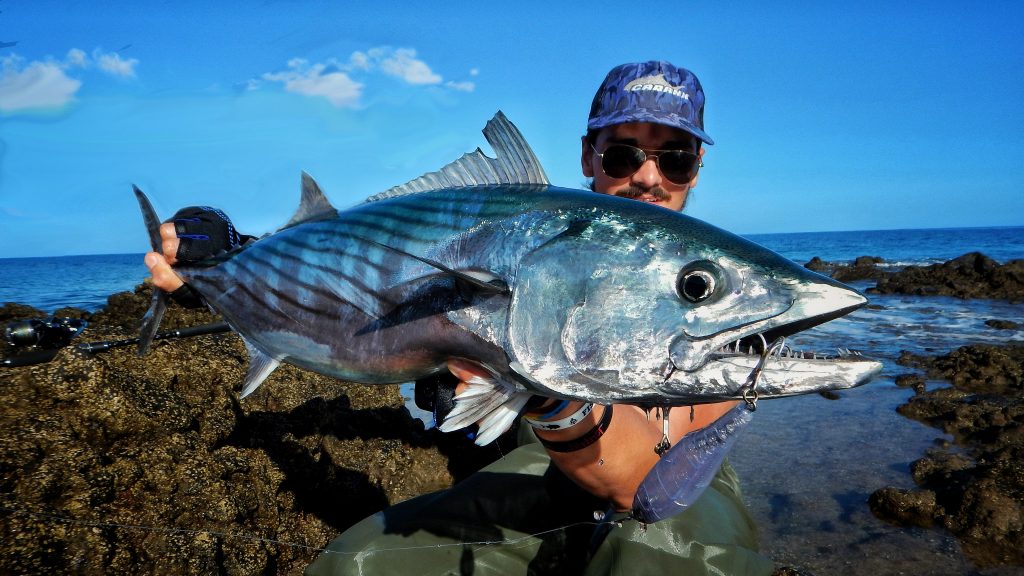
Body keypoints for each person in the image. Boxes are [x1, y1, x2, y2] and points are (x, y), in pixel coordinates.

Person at [145, 61, 774, 575]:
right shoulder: (515, 233)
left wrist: (544, 396)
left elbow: (638, 478)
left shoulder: (724, 295)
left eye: (675, 158)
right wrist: (229, 254)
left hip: (677, 497)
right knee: (352, 566)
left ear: (696, 168)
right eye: (622, 155)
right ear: (588, 157)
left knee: (658, 559)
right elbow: (371, 270)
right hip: (530, 480)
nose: (646, 177)